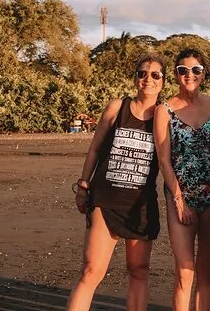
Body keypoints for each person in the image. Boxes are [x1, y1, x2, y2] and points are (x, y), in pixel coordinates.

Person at [67, 53, 165, 311]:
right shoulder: (117, 107)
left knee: (138, 270)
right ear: (135, 78)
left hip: (140, 205)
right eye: (142, 73)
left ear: (163, 81)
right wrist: (83, 185)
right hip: (105, 200)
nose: (148, 79)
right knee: (91, 270)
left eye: (155, 75)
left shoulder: (164, 115)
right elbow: (95, 149)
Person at [153, 49, 210, 311]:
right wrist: (178, 200)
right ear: (176, 75)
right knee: (185, 271)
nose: (189, 75)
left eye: (196, 70)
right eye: (183, 70)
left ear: (204, 74)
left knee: (205, 272)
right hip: (180, 196)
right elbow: (164, 160)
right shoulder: (165, 110)